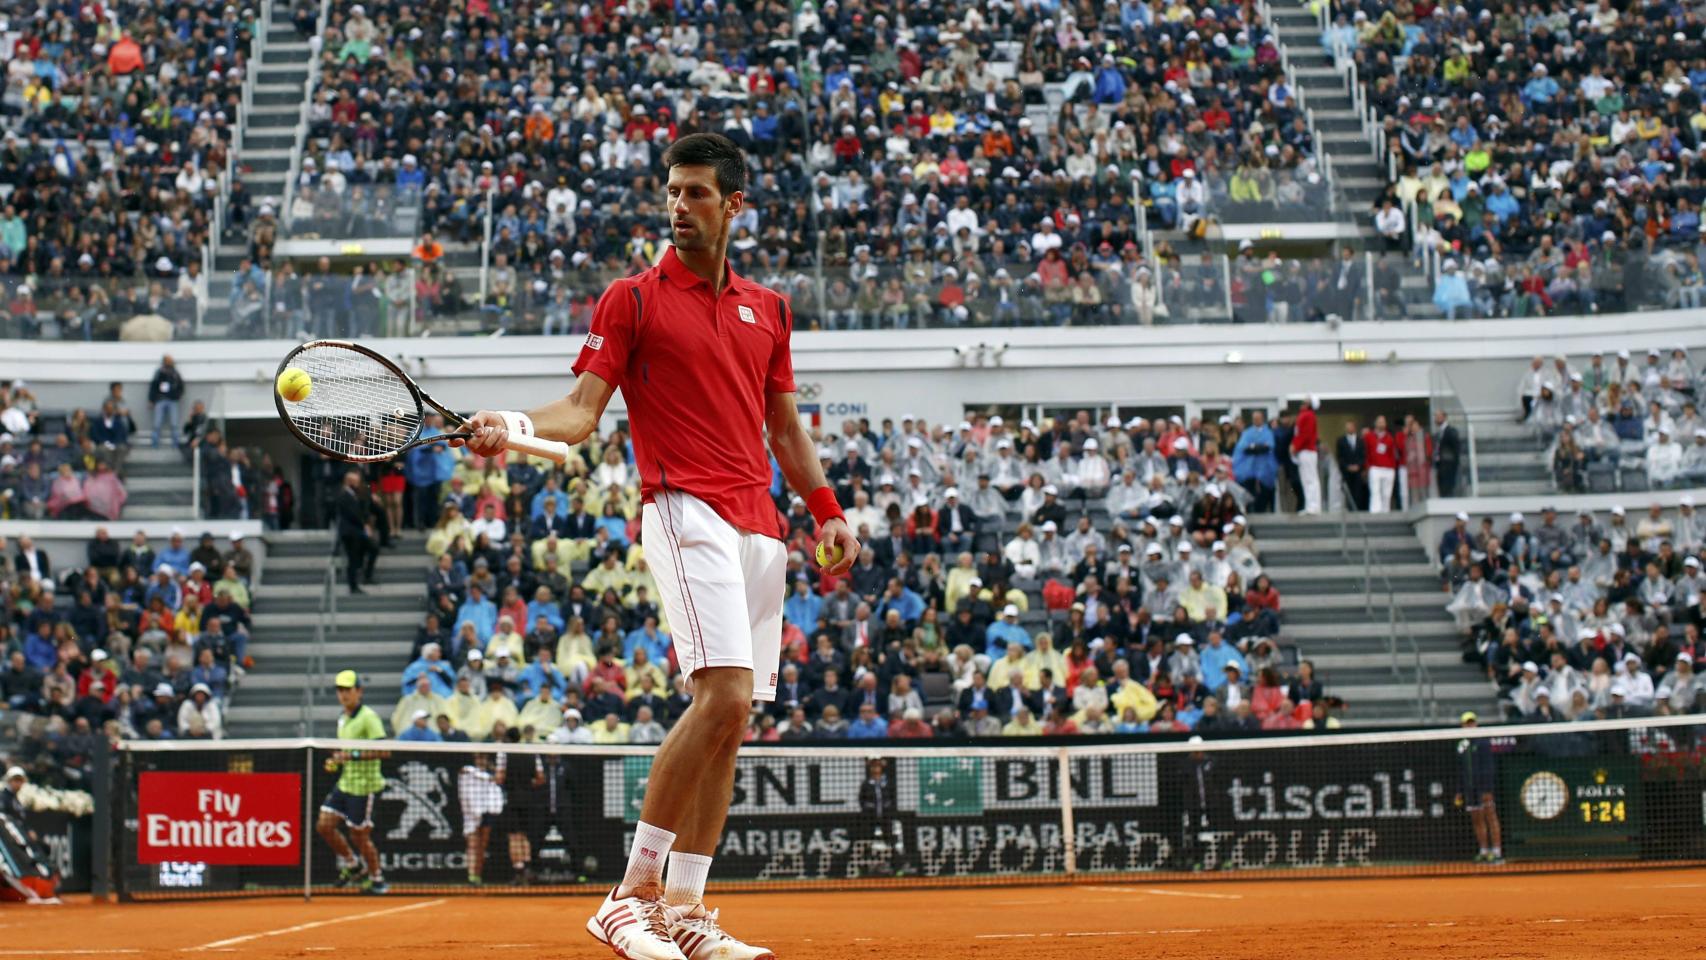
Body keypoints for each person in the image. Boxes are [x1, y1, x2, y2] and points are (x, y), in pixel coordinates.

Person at [458, 133, 856, 960]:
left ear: (734, 205)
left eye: (698, 193)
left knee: (733, 722)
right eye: (672, 192)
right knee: (721, 698)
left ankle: (685, 912)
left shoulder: (769, 309)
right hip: (683, 510)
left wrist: (826, 509)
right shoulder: (631, 300)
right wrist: (515, 428)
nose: (679, 206)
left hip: (760, 525)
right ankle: (628, 895)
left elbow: (782, 427)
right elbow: (579, 412)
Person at [316, 670, 389, 893]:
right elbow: (345, 752)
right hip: (346, 783)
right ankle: (353, 864)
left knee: (359, 836)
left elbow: (384, 751)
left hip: (365, 788)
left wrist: (351, 755)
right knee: (324, 826)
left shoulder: (369, 717)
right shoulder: (343, 718)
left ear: (359, 691)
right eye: (340, 690)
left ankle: (377, 879)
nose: (343, 695)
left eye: (348, 690)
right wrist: (337, 760)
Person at [1455, 711, 1502, 865]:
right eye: (1466, 723)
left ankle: (1496, 851)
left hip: (1484, 788)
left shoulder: (1483, 742)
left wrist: (1487, 789)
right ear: (1462, 726)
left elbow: (1489, 767)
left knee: (1490, 816)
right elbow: (1461, 770)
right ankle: (1483, 850)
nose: (1470, 725)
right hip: (1470, 789)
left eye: (1472, 722)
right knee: (1477, 819)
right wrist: (1460, 791)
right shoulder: (1461, 745)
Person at [147, 354, 185, 449]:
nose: (170, 362)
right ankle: (154, 444)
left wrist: (178, 395)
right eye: (168, 360)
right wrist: (151, 400)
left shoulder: (175, 373)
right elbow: (153, 386)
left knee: (174, 424)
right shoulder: (159, 372)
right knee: (157, 423)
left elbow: (181, 386)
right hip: (160, 399)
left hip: (172, 400)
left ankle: (175, 445)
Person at [1292, 395, 1321, 514]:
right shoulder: (1304, 415)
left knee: (1310, 479)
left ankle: (1314, 506)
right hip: (1303, 450)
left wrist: (1295, 445)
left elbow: (1305, 434)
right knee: (1306, 479)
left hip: (1307, 450)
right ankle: (1310, 505)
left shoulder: (1308, 415)